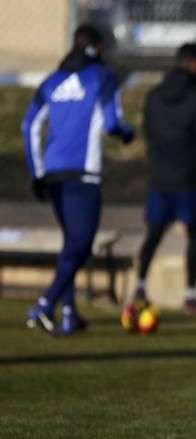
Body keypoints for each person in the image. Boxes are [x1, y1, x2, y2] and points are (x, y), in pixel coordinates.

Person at [22, 24, 134, 335]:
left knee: (72, 244)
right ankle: (45, 306)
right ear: (97, 48)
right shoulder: (103, 77)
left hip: (54, 173)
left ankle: (69, 314)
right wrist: (128, 134)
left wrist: (37, 173)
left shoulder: (51, 81)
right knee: (81, 244)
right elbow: (112, 124)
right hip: (83, 174)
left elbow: (29, 126)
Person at [132, 43, 196, 313]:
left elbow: (148, 133)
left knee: (154, 233)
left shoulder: (153, 96)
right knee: (195, 233)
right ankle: (190, 295)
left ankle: (139, 286)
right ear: (195, 64)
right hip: (188, 179)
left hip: (159, 177)